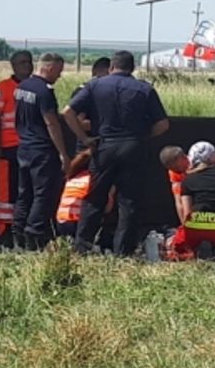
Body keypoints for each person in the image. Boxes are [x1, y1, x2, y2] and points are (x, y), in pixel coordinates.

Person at [63, 50, 170, 256]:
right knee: (129, 202)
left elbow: (68, 112)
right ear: (132, 69)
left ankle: (82, 247)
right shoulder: (144, 89)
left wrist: (84, 139)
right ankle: (123, 252)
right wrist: (142, 136)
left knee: (95, 198)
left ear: (112, 67)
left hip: (104, 147)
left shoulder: (95, 85)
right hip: (133, 147)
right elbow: (163, 124)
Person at [12, 53, 70, 250]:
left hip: (24, 147)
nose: (59, 76)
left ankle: (17, 233)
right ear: (50, 68)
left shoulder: (22, 87)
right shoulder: (44, 91)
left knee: (23, 193)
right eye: (59, 71)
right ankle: (34, 236)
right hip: (41, 149)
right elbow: (51, 122)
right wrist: (62, 152)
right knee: (42, 195)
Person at [0, 50, 34, 238]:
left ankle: (23, 225)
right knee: (8, 188)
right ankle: (6, 228)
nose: (27, 66)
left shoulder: (35, 87)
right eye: (23, 62)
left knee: (27, 188)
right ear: (13, 66)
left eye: (29, 62)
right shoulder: (4, 87)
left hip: (30, 146)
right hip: (9, 147)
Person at [159, 145, 190, 225]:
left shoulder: (197, 164)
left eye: (178, 167)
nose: (178, 172)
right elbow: (178, 201)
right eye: (173, 169)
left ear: (184, 157)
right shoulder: (174, 173)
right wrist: (184, 225)